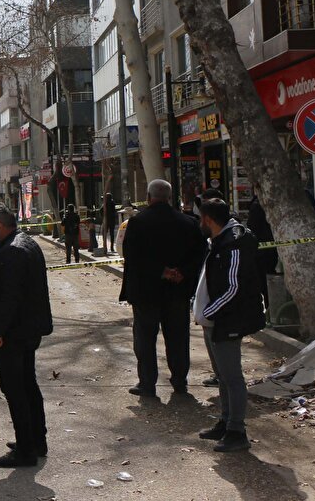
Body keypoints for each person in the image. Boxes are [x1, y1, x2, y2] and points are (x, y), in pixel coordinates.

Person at [119, 178, 207, 399]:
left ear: (149, 198)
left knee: (145, 339)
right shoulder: (188, 223)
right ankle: (179, 381)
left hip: (146, 292)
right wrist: (181, 272)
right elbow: (200, 253)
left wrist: (161, 271)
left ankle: (147, 383)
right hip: (177, 291)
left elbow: (132, 256)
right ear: (169, 198)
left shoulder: (137, 223)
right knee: (178, 338)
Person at [0, 203, 53, 467]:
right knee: (27, 385)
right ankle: (35, 439)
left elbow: (8, 297)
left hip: (14, 332)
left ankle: (25, 449)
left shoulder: (12, 251)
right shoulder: (25, 243)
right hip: (28, 328)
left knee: (16, 390)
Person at [195, 196, 266, 452]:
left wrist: (209, 312)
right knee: (222, 376)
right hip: (214, 321)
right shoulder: (218, 242)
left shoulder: (233, 244)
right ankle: (226, 422)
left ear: (208, 219)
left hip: (226, 320)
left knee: (232, 377)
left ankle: (237, 430)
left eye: (201, 218)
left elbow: (233, 287)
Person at [247, 192, 277, 306]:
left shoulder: (258, 205)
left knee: (263, 282)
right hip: (269, 250)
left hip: (262, 252)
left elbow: (252, 227)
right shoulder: (263, 203)